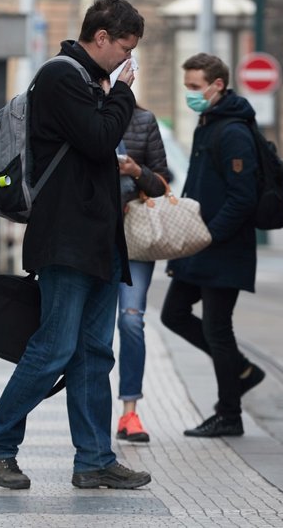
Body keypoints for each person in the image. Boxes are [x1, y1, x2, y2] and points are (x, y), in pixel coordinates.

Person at [0, 0, 151, 491]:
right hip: (66, 239)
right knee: (52, 348)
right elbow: (99, 137)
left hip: (97, 240)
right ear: (100, 38)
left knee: (94, 352)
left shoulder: (88, 80)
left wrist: (112, 93)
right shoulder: (60, 76)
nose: (127, 60)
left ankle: (93, 459)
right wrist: (123, 93)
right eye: (124, 48)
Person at [160, 52, 266, 438]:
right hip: (201, 244)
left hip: (221, 246)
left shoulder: (233, 131)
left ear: (217, 85)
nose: (190, 94)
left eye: (194, 87)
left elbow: (243, 197)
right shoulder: (209, 122)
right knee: (173, 312)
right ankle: (242, 370)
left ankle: (229, 413)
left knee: (218, 328)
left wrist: (211, 234)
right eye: (186, 86)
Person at [114, 107, 170, 442]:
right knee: (94, 328)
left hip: (134, 236)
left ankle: (129, 413)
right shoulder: (80, 109)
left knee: (132, 320)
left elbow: (162, 182)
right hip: (93, 235)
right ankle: (90, 414)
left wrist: (136, 171)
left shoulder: (143, 120)